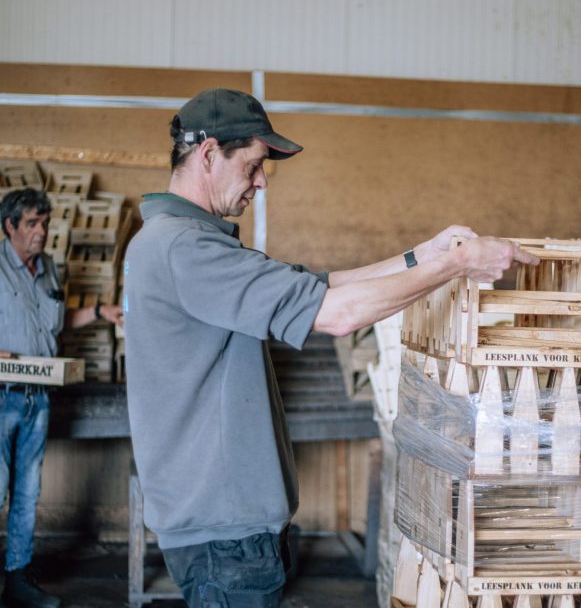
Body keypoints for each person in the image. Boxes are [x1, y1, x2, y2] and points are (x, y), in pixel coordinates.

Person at [123, 88, 539, 608]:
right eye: (253, 165)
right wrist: (456, 266)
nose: (260, 183)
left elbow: (322, 286)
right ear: (209, 154)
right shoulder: (187, 249)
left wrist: (422, 255)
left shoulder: (177, 242)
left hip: (221, 526)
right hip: (223, 532)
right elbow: (338, 314)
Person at [0, 188, 123, 608]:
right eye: (32, 224)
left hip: (39, 397)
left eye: (45, 223)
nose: (41, 232)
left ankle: (18, 577)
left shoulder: (50, 268)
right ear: (10, 226)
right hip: (2, 396)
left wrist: (101, 312)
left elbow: (59, 321)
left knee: (28, 492)